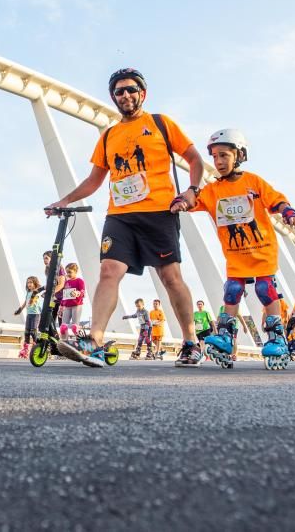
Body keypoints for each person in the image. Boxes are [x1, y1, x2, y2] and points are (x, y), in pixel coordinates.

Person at [44, 68, 205, 367]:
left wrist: (192, 191)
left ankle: (190, 342)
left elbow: (195, 159)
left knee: (170, 277)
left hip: (159, 211)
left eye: (131, 89)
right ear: (113, 98)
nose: (126, 95)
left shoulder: (161, 123)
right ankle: (95, 341)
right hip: (120, 215)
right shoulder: (108, 136)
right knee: (108, 271)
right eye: (119, 92)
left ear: (142, 94)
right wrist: (64, 200)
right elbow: (94, 180)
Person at [173, 128, 295, 365]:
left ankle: (276, 339)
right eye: (214, 157)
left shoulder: (253, 182)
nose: (218, 161)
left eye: (224, 155)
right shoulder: (213, 190)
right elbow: (194, 200)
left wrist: (288, 212)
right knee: (232, 290)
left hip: (262, 249)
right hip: (236, 254)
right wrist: (181, 200)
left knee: (265, 289)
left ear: (239, 155)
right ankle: (225, 335)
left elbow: (276, 200)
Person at [14, 276, 44, 359]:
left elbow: (35, 297)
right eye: (28, 283)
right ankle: (25, 350)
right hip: (29, 314)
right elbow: (25, 302)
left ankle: (37, 347)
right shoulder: (28, 293)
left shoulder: (36, 292)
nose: (29, 284)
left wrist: (32, 301)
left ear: (35, 283)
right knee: (27, 332)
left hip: (36, 314)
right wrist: (19, 310)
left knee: (33, 331)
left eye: (31, 282)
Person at [58, 263, 86, 334]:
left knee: (75, 326)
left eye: (70, 272)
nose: (68, 274)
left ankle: (78, 338)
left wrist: (77, 293)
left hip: (76, 305)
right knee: (63, 326)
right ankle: (64, 340)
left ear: (75, 271)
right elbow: (64, 295)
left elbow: (82, 292)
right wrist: (61, 306)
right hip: (67, 306)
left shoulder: (79, 281)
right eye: (67, 272)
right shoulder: (67, 282)